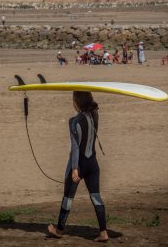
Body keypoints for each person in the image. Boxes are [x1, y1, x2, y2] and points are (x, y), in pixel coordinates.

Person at [48, 91, 108, 243]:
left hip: (79, 165)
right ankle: (103, 232)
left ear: (76, 102)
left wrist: (75, 168)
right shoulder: (95, 116)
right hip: (93, 164)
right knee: (96, 197)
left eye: (72, 99)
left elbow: (75, 147)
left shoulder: (73, 121)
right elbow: (93, 108)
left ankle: (59, 230)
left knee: (68, 197)